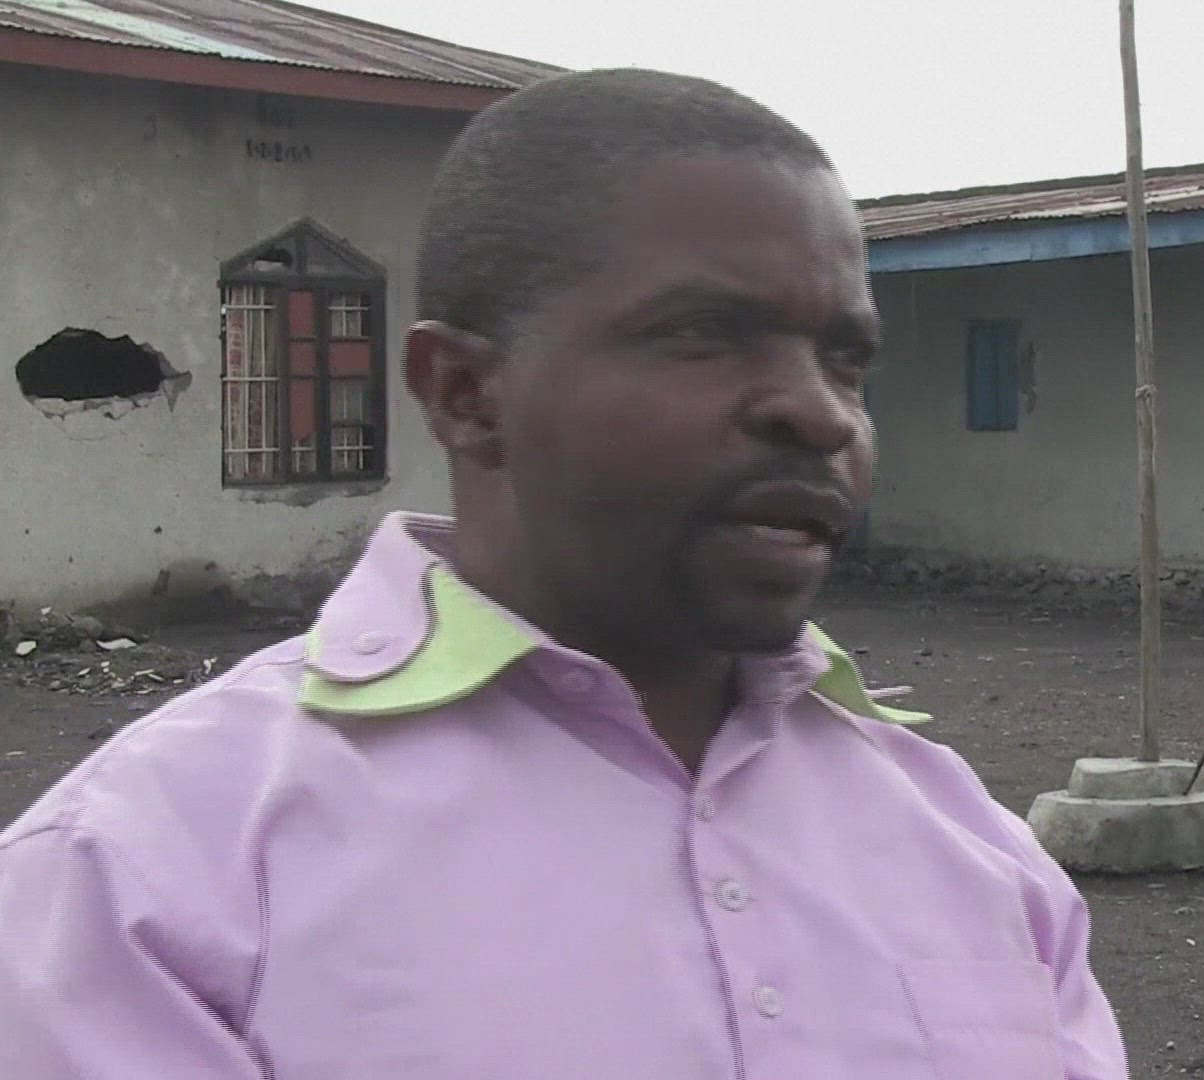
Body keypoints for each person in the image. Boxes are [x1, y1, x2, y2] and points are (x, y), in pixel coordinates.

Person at [0, 69, 1125, 1079]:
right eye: (704, 333)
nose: (819, 411)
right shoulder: (149, 879)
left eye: (847, 359)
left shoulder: (971, 849)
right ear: (463, 392)